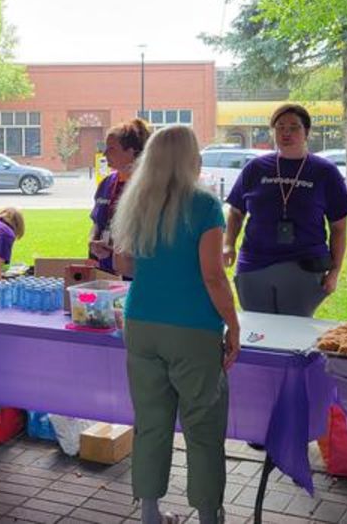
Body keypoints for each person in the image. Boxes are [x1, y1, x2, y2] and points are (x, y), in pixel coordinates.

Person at [111, 125, 240, 524]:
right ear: (190, 158)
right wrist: (233, 325)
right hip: (193, 328)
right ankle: (207, 514)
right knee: (203, 427)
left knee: (151, 422)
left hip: (142, 321)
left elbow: (123, 264)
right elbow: (214, 277)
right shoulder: (203, 205)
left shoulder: (136, 200)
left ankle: (149, 512)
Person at [223, 104, 347, 316]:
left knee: (295, 334)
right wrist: (228, 244)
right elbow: (236, 212)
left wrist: (335, 271)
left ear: (307, 133)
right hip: (254, 264)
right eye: (280, 127)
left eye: (294, 127)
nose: (286, 133)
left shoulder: (325, 172)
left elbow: (339, 227)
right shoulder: (255, 168)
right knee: (258, 331)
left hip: (305, 265)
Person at [88, 118, 152, 277]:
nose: (104, 154)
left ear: (131, 152)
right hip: (103, 269)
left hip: (134, 272)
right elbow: (96, 223)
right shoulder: (107, 183)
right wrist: (92, 243)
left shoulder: (148, 188)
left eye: (111, 148)